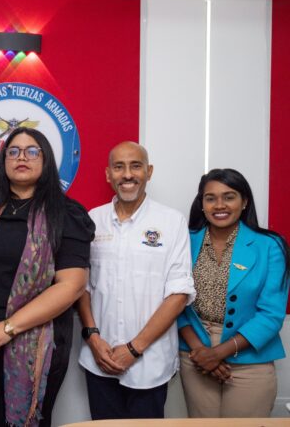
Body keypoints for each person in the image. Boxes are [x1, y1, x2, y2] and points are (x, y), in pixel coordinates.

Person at [0, 127, 95, 427]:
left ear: (46, 160)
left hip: (37, 344)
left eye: (32, 151)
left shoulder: (65, 214)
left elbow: (71, 286)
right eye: (14, 151)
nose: (22, 158)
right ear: (3, 160)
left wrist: (8, 328)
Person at [77, 141, 196, 420]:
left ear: (149, 171)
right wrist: (93, 338)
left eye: (136, 166)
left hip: (149, 363)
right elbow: (82, 286)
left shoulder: (172, 221)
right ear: (108, 174)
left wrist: (134, 348)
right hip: (99, 358)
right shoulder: (92, 219)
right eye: (119, 167)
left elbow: (179, 294)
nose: (127, 174)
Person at [178, 168, 289, 418]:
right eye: (211, 198)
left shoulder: (270, 246)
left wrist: (217, 354)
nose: (220, 205)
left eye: (229, 197)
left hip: (250, 357)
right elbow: (174, 301)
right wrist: (201, 352)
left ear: (244, 201)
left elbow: (271, 314)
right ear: (202, 203)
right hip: (195, 353)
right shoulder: (184, 240)